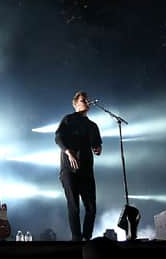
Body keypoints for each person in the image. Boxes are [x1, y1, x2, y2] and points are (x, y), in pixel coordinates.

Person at [55, 91, 102, 241]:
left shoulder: (93, 125)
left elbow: (97, 145)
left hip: (86, 170)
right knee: (74, 206)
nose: (86, 102)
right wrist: (69, 152)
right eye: (83, 100)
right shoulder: (68, 119)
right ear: (75, 104)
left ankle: (87, 238)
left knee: (91, 208)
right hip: (69, 169)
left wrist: (98, 149)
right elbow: (58, 137)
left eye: (87, 100)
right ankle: (76, 239)